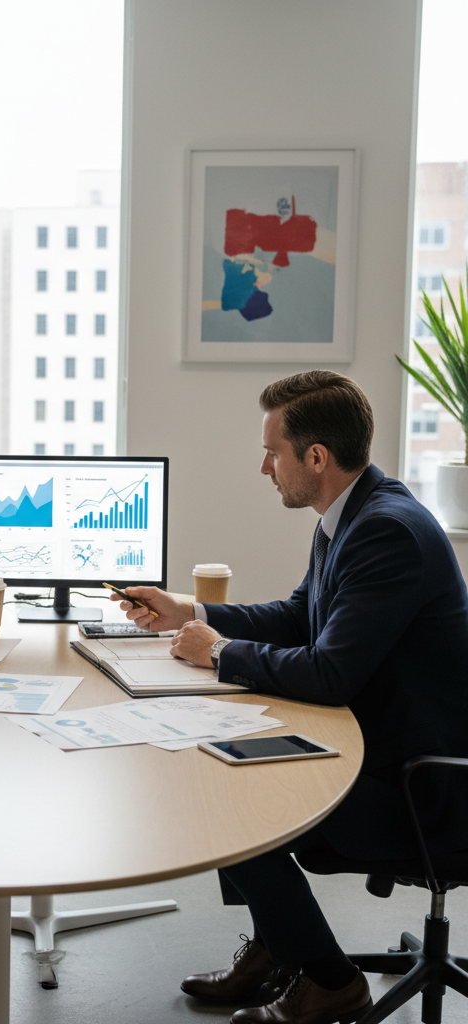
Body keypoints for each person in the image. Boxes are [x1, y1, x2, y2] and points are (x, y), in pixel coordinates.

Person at [115, 370, 468, 1024]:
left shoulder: (385, 529)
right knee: (222, 760)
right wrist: (188, 612)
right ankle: (280, 950)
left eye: (271, 452)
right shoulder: (352, 511)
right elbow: (300, 614)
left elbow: (329, 672)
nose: (262, 467)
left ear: (315, 457)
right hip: (377, 746)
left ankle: (330, 980)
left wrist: (216, 652)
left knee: (234, 797)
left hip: (421, 786)